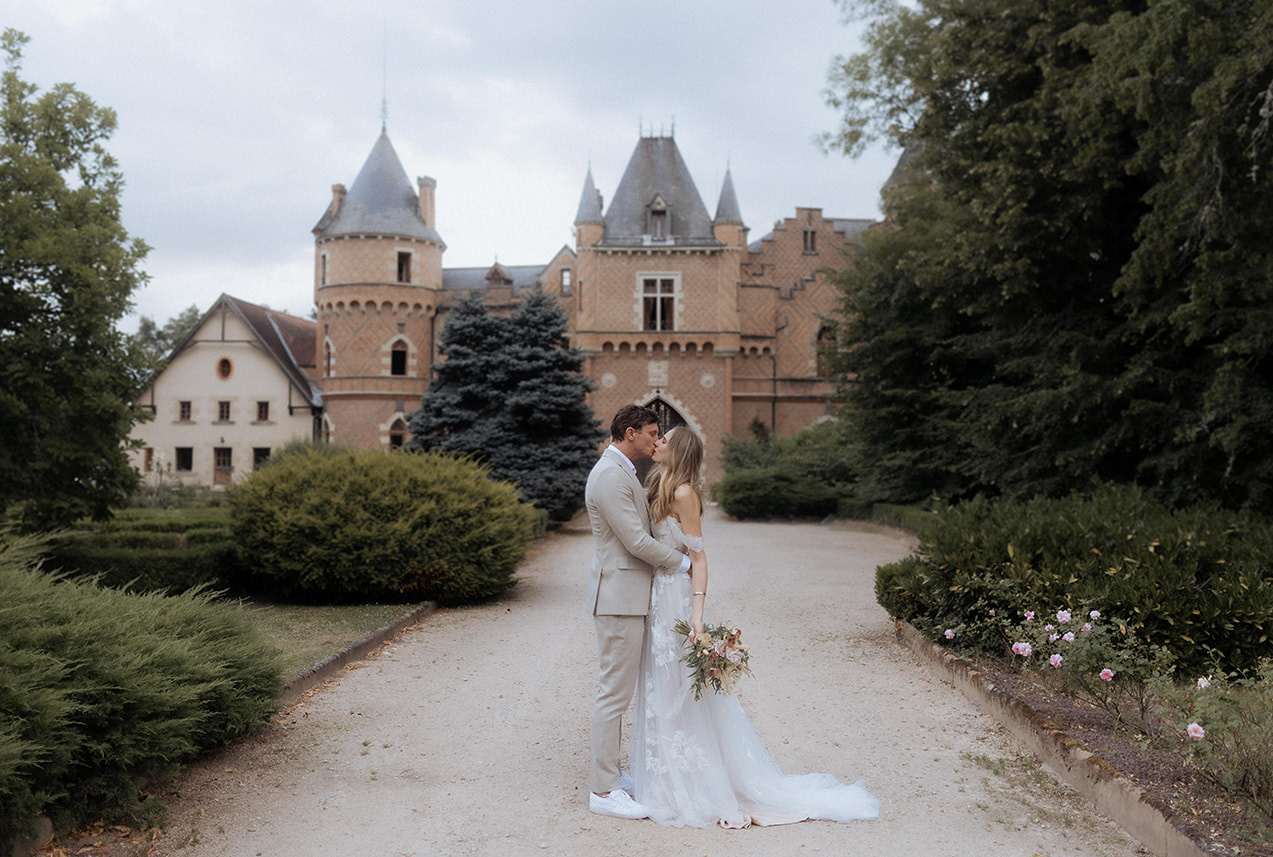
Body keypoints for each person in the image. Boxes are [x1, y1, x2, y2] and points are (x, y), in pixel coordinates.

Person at [630, 426, 880, 828]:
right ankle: (662, 778)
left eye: (664, 439)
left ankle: (696, 783)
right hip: (658, 597)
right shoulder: (657, 484)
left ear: (677, 450)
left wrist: (697, 615)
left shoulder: (683, 494)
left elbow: (700, 558)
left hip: (677, 597)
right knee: (660, 682)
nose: (656, 442)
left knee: (680, 687)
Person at [583, 405, 689, 819]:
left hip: (628, 597)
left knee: (620, 692)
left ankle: (610, 777)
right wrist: (684, 563)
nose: (654, 440)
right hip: (618, 598)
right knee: (614, 694)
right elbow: (635, 541)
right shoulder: (610, 475)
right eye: (650, 433)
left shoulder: (623, 470)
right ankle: (604, 791)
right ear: (630, 433)